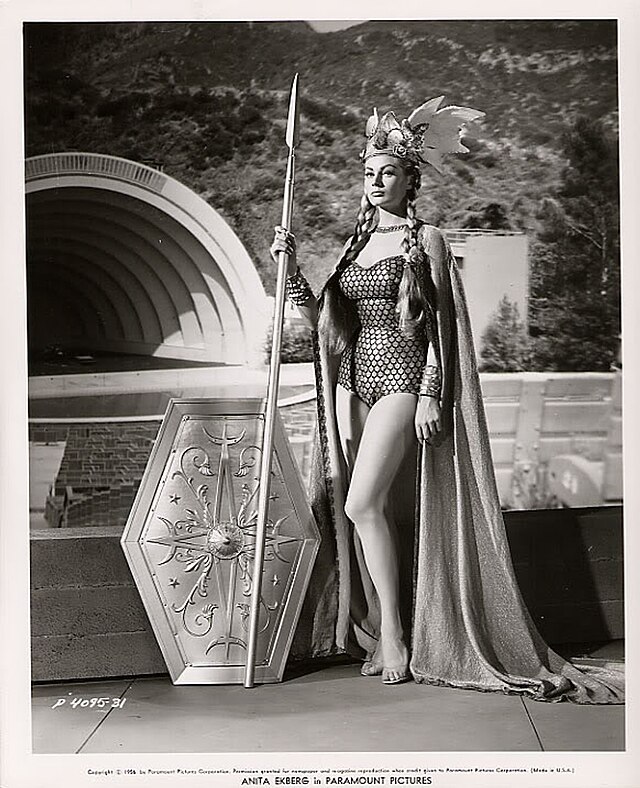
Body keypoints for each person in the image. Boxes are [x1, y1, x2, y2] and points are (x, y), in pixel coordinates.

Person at [270, 97, 624, 703]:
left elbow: (440, 327)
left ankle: (396, 636)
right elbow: (325, 322)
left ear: (410, 180)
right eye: (369, 172)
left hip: (402, 380)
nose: (375, 182)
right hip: (354, 383)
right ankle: (387, 627)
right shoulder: (355, 244)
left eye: (388, 172)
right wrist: (292, 269)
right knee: (371, 511)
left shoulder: (426, 240)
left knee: (360, 504)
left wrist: (433, 393)